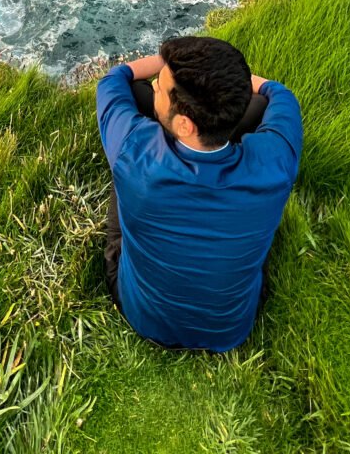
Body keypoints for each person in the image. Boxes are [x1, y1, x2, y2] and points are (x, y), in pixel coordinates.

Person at [96, 35, 302, 352]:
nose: (155, 88)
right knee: (260, 106)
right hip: (229, 327)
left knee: (133, 108)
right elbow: (279, 94)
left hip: (145, 317)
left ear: (184, 125)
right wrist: (227, 85)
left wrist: (163, 64)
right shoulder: (276, 161)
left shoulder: (135, 152)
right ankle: (214, 132)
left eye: (161, 88)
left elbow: (115, 79)